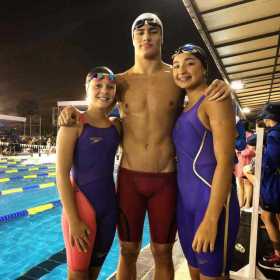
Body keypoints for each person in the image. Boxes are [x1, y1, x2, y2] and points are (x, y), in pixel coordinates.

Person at [58, 13, 233, 279]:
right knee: (127, 251)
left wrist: (224, 84)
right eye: (140, 31)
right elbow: (97, 107)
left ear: (162, 37)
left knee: (163, 253)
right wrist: (71, 111)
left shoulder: (175, 77)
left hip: (166, 179)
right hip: (130, 179)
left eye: (153, 30)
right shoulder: (119, 81)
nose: (147, 35)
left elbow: (202, 91)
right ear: (133, 38)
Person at [172, 43, 240, 279]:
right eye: (177, 65)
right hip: (185, 205)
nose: (182, 70)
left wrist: (211, 219)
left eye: (190, 63)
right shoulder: (182, 108)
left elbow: (225, 162)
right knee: (194, 272)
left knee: (213, 275)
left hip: (212, 203)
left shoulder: (215, 99)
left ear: (204, 69)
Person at [56, 66, 121, 280]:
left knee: (93, 274)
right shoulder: (74, 124)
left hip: (109, 209)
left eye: (110, 87)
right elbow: (61, 174)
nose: (104, 91)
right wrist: (74, 220)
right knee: (77, 274)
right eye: (98, 85)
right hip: (81, 209)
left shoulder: (117, 126)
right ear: (87, 88)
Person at [257, 102, 280, 271]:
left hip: (275, 185)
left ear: (269, 118)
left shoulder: (274, 135)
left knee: (267, 217)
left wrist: (257, 168)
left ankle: (278, 255)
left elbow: (270, 160)